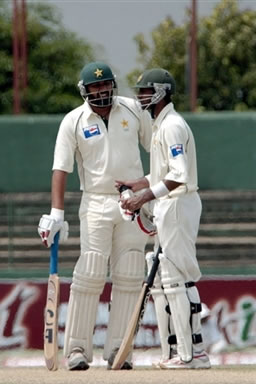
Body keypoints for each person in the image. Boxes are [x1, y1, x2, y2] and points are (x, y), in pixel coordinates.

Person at [38, 61, 152, 370]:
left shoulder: (132, 110)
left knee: (130, 272)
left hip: (133, 201)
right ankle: (76, 349)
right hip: (96, 202)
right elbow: (60, 169)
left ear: (113, 86)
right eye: (95, 87)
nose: (101, 92)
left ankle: (120, 349)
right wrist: (56, 213)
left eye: (105, 86)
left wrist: (151, 187)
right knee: (89, 274)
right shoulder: (73, 121)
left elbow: (158, 147)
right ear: (85, 90)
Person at [117, 68, 211, 369]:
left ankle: (189, 355)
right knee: (163, 279)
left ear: (161, 92)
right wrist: (139, 184)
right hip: (169, 204)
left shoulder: (171, 126)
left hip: (178, 204)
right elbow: (162, 173)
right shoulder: (160, 124)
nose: (141, 96)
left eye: (146, 91)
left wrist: (144, 197)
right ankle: (179, 352)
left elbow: (179, 175)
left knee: (175, 278)